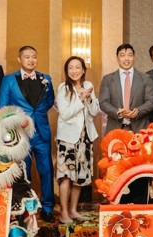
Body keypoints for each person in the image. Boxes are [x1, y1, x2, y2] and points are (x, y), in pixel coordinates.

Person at [0, 46, 56, 222]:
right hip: (20, 133)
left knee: (46, 170)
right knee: (23, 171)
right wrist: (18, 120)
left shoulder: (46, 79)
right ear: (19, 59)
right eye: (27, 57)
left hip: (41, 132)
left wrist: (37, 116)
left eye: (34, 57)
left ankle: (47, 208)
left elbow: (49, 101)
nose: (31, 60)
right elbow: (3, 107)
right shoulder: (9, 80)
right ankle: (25, 207)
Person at [55, 56, 99, 224]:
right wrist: (80, 99)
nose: (74, 71)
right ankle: (64, 212)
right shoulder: (63, 88)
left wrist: (88, 98)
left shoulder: (88, 86)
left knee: (80, 176)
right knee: (66, 175)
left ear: (83, 70)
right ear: (67, 71)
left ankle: (73, 210)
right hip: (68, 139)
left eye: (77, 67)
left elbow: (94, 112)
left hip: (85, 137)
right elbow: (65, 114)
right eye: (70, 68)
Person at [99, 44, 153, 132]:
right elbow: (103, 102)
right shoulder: (108, 79)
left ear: (134, 57)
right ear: (117, 58)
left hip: (140, 129)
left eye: (129, 55)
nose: (126, 59)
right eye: (122, 55)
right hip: (115, 129)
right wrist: (117, 112)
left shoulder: (145, 78)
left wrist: (138, 111)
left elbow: (152, 101)